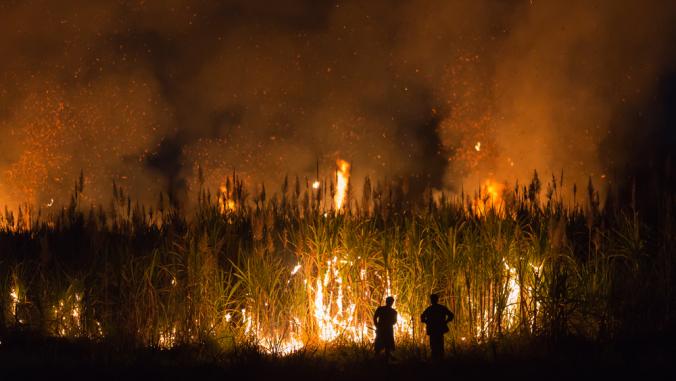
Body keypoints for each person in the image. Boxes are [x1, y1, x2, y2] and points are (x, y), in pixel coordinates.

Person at [420, 293, 454, 361]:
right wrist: (446, 322)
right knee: (440, 343)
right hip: (440, 329)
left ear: (431, 300)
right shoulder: (442, 308)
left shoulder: (429, 309)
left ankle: (434, 359)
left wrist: (427, 322)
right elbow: (451, 315)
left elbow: (422, 317)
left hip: (432, 329)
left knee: (433, 344)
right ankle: (440, 359)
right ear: (437, 300)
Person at [373, 296, 397, 361]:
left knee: (382, 343)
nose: (390, 303)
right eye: (390, 301)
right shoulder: (393, 312)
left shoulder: (381, 309)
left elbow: (375, 317)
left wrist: (377, 325)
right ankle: (385, 358)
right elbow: (394, 322)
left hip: (384, 329)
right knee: (385, 344)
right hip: (386, 329)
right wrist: (377, 325)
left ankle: (382, 358)